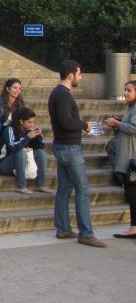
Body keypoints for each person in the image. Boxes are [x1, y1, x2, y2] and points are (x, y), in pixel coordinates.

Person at [48, 59, 106, 247]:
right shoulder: (63, 95)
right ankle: (86, 233)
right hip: (70, 148)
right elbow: (66, 121)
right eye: (79, 73)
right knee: (82, 189)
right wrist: (85, 125)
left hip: (62, 146)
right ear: (71, 75)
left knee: (64, 189)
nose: (81, 77)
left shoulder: (57, 93)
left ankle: (63, 229)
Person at [104, 80, 136, 238]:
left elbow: (133, 128)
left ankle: (134, 227)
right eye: (125, 90)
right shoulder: (131, 108)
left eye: (129, 90)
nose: (125, 93)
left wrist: (117, 123)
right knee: (131, 192)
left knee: (132, 192)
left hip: (133, 161)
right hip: (128, 158)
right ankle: (133, 226)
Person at [0, 106, 52, 195]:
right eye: (29, 122)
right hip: (5, 164)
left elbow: (40, 147)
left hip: (22, 162)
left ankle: (41, 184)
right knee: (21, 153)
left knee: (41, 153)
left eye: (33, 122)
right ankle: (22, 186)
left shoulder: (28, 130)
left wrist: (38, 137)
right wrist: (27, 138)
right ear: (21, 121)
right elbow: (12, 148)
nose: (32, 125)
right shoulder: (9, 129)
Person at [0, 78, 24, 143]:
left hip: (12, 130)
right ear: (8, 89)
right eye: (15, 88)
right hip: (1, 129)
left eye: (19, 89)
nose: (17, 91)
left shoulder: (20, 104)